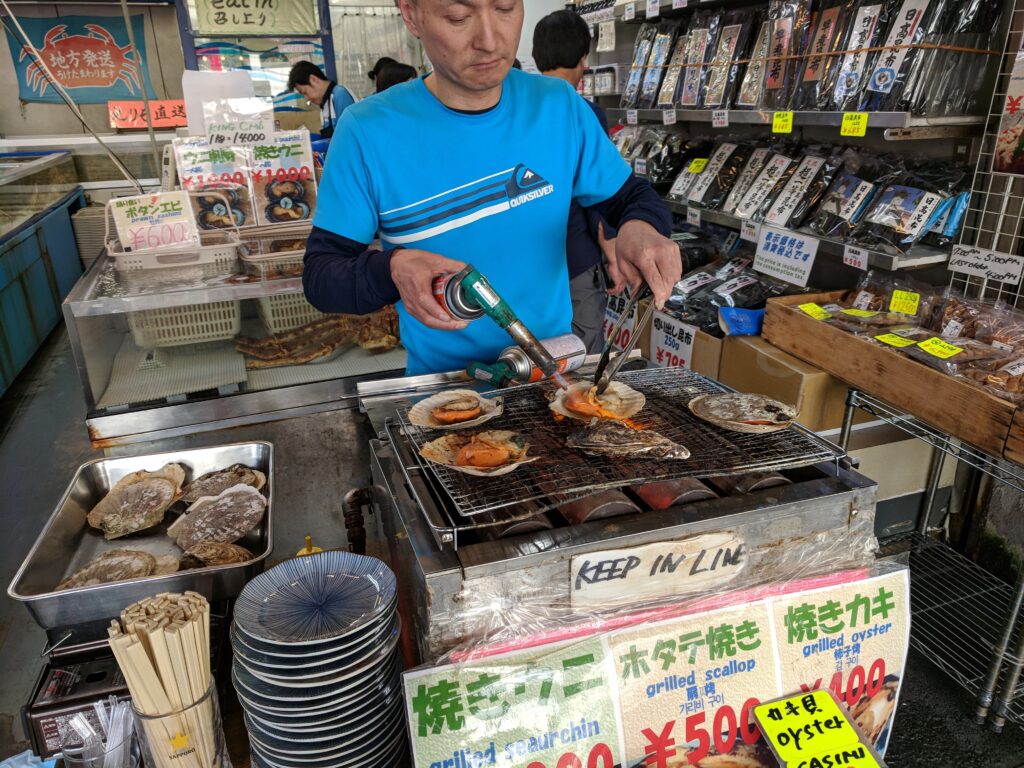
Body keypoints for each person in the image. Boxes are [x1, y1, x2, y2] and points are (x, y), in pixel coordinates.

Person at [303, 0, 680, 376]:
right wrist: (392, 269)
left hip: (551, 378)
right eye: (459, 17)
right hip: (444, 392)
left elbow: (631, 197)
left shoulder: (557, 106)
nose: (490, 40)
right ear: (411, 14)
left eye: (504, 9)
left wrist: (641, 228)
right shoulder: (367, 131)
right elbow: (322, 275)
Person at [533, 8, 619, 352]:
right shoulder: (585, 112)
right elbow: (599, 195)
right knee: (579, 355)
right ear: (583, 58)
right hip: (575, 257)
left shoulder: (513, 113)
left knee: (531, 352)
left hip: (526, 258)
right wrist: (612, 252)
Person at [287, 61, 356, 139]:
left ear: (313, 80)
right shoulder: (325, 103)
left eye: (305, 92)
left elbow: (351, 137)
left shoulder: (340, 95)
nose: (306, 99)